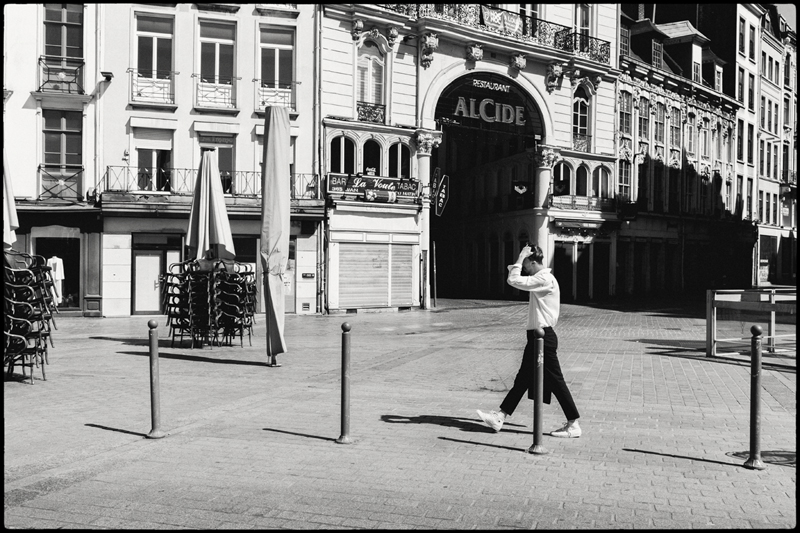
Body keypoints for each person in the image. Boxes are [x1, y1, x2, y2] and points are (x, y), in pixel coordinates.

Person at [476, 244, 581, 438]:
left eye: (526, 264)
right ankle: (500, 416)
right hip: (537, 337)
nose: (524, 268)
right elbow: (514, 274)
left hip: (543, 337)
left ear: (534, 262)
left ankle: (573, 424)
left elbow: (513, 279)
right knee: (523, 379)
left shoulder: (544, 279)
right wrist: (521, 257)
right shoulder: (540, 278)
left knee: (556, 381)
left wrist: (522, 255)